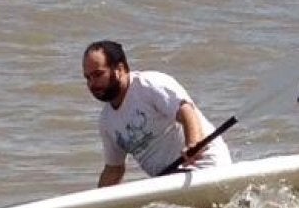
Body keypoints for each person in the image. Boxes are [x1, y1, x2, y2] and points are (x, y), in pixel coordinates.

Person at [82, 40, 232, 187]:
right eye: (88, 78)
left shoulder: (149, 84)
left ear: (119, 69)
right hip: (169, 182)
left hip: (205, 168)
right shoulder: (107, 121)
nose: (92, 84)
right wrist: (90, 206)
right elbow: (114, 170)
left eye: (98, 74)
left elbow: (186, 111)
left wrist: (193, 144)